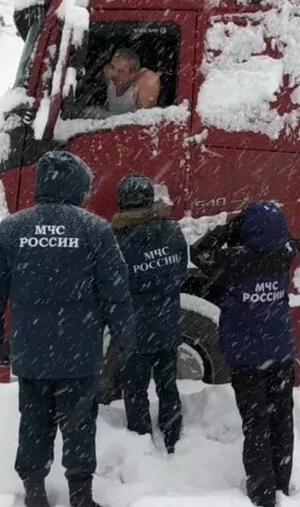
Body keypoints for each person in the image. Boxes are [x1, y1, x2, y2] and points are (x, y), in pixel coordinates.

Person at [0, 150, 136, 507]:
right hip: (79, 349)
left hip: (31, 349)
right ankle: (81, 495)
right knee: (79, 423)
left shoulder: (14, 228)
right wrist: (124, 338)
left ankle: (35, 491)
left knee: (34, 421)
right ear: (79, 186)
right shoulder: (95, 230)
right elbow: (115, 291)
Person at [190, 202, 299, 507]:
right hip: (280, 353)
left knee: (256, 424)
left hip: (247, 357)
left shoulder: (233, 259)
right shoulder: (286, 254)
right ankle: (282, 483)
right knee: (282, 419)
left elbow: (198, 252)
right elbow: (290, 239)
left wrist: (228, 228)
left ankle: (263, 492)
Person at [111, 173, 188, 453]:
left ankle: (141, 441)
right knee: (168, 387)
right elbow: (180, 272)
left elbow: (114, 285)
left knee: (135, 390)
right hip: (167, 323)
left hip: (134, 330)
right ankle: (173, 438)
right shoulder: (172, 231)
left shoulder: (116, 239)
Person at [101, 47, 161, 115]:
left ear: (133, 74)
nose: (114, 74)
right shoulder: (108, 73)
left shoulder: (142, 84)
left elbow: (143, 119)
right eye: (113, 67)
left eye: (121, 71)